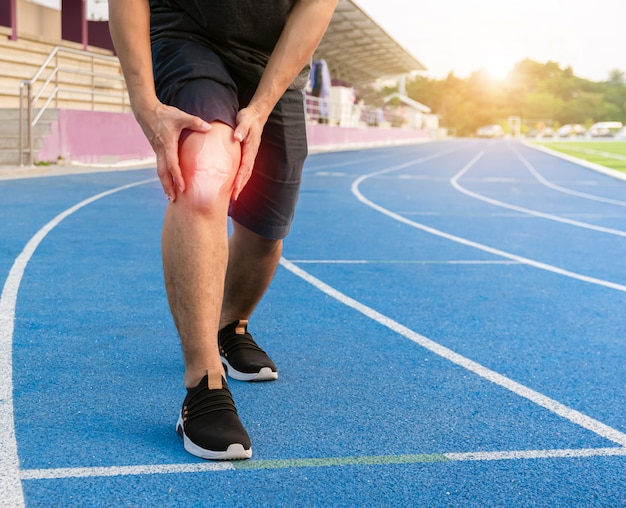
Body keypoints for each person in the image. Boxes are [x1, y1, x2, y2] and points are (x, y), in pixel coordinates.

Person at [108, 0, 337, 460]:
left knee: (266, 225)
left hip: (274, 59)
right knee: (203, 174)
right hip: (190, 34)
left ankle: (229, 326)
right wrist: (145, 104)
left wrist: (261, 108)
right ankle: (203, 382)